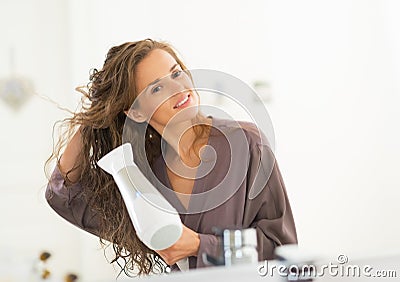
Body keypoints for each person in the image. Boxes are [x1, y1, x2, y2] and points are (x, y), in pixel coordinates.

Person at [45, 38, 297, 276]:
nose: (178, 88)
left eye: (176, 73)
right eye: (157, 88)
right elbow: (62, 195)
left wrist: (200, 245)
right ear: (137, 113)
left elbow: (283, 248)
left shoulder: (246, 143)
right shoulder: (145, 176)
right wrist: (93, 116)